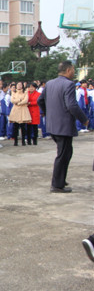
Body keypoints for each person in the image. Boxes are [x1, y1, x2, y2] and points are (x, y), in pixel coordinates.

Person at [37, 61, 89, 193]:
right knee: (63, 154)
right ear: (68, 70)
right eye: (73, 70)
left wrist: (47, 113)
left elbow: (40, 100)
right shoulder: (69, 84)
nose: (73, 72)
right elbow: (72, 105)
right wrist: (84, 120)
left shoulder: (49, 83)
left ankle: (60, 179)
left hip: (53, 124)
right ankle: (57, 185)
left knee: (66, 152)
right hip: (63, 125)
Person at [8, 81, 31, 147]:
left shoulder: (25, 92)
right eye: (18, 85)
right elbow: (12, 100)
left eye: (20, 85)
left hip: (23, 110)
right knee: (15, 127)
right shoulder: (13, 93)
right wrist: (20, 100)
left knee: (23, 127)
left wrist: (19, 102)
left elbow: (26, 100)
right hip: (16, 110)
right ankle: (16, 141)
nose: (19, 86)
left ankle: (23, 141)